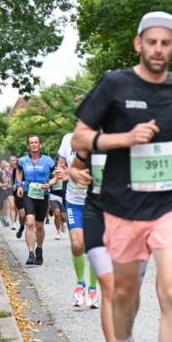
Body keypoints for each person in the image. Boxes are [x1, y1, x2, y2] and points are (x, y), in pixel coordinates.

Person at [71, 11, 172, 342]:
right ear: (138, 44)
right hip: (122, 207)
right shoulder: (115, 85)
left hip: (168, 204)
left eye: (167, 43)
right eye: (152, 42)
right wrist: (124, 139)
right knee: (124, 293)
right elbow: (80, 137)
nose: (159, 50)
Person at [58, 132, 100, 309]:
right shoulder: (68, 138)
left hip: (95, 202)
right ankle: (80, 284)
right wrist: (62, 171)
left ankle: (92, 289)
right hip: (73, 201)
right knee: (77, 245)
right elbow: (61, 163)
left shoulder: (103, 139)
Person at [16, 135, 56, 265]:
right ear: (28, 146)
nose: (34, 144)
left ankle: (39, 249)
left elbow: (57, 175)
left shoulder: (48, 160)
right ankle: (31, 254)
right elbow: (19, 171)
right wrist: (19, 185)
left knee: (39, 226)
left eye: (36, 142)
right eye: (31, 143)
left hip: (42, 195)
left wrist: (50, 184)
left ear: (40, 145)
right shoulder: (22, 160)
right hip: (28, 194)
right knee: (30, 223)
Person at [49, 157, 68, 240]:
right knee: (56, 213)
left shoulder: (66, 169)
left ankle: (63, 223)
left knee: (63, 217)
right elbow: (48, 178)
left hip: (63, 195)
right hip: (53, 195)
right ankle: (58, 231)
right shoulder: (52, 170)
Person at [8, 155, 25, 235]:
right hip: (18, 193)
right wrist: (15, 185)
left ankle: (31, 228)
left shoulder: (31, 170)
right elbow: (15, 181)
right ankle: (21, 226)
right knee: (21, 214)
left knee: (31, 213)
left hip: (29, 193)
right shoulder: (15, 170)